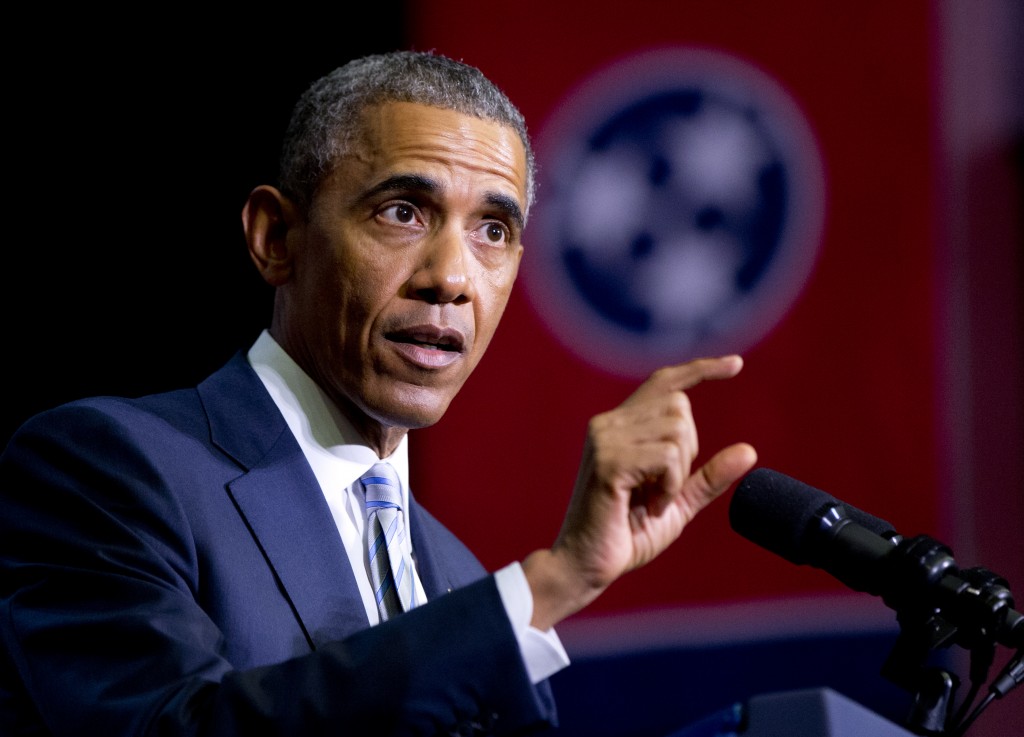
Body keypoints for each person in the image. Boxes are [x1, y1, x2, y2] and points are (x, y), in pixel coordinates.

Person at [0, 49, 757, 736]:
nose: (452, 278)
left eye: (493, 230)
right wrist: (553, 581)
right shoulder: (114, 468)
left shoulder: (457, 574)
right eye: (403, 212)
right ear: (275, 238)